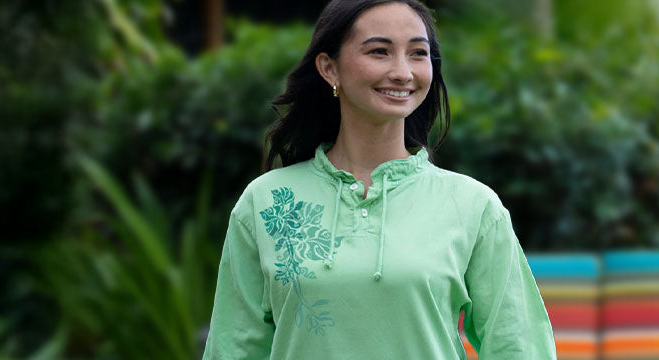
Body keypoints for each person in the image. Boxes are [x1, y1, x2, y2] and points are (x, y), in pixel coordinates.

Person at [202, 1, 554, 358]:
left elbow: (519, 346)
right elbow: (234, 348)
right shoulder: (266, 202)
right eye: (380, 51)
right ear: (329, 68)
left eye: (418, 53)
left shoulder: (473, 206)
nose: (402, 72)